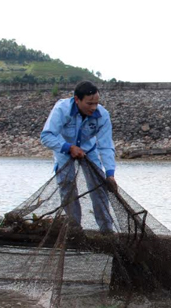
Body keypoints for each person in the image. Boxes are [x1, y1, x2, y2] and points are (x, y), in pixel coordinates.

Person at [41, 81, 117, 232]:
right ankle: (74, 229)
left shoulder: (103, 116)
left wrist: (110, 173)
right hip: (64, 150)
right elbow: (46, 136)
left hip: (89, 151)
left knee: (99, 187)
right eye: (89, 103)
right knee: (67, 187)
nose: (94, 107)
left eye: (96, 103)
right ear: (77, 99)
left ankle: (107, 231)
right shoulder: (62, 109)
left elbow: (106, 146)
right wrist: (69, 148)